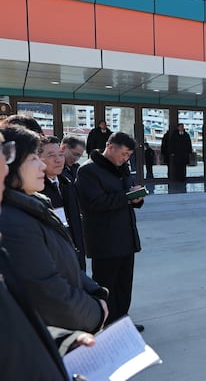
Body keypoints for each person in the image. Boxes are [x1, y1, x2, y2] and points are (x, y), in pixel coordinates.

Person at [0, 126, 109, 333]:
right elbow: (47, 290)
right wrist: (95, 313)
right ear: (10, 165)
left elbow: (66, 266)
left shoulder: (36, 205)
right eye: (34, 158)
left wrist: (97, 294)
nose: (42, 165)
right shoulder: (12, 222)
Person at [75, 132, 145, 331]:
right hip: (104, 239)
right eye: (123, 154)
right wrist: (127, 197)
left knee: (124, 283)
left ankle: (122, 320)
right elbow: (94, 203)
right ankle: (105, 324)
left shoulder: (122, 169)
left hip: (126, 236)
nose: (125, 158)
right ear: (110, 147)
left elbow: (127, 195)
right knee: (106, 284)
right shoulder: (88, 170)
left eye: (129, 155)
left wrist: (136, 198)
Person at [39, 135, 87, 270]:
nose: (58, 160)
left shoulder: (67, 183)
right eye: (51, 156)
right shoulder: (37, 191)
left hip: (74, 257)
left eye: (60, 155)